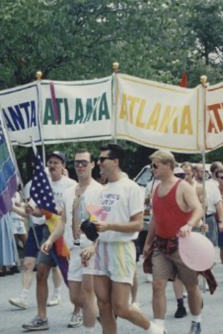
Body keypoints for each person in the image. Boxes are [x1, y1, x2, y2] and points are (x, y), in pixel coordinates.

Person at [82, 143, 166, 334]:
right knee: (103, 306)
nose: (99, 163)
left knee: (121, 306)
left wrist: (109, 226)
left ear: (115, 161)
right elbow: (98, 223)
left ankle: (155, 330)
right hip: (102, 249)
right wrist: (90, 239)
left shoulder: (132, 188)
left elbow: (137, 224)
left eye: (103, 159)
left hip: (122, 248)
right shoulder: (102, 191)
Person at [42, 148, 103, 333]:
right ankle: (103, 310)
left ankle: (89, 329)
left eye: (84, 162)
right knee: (75, 298)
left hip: (91, 250)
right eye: (77, 163)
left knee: (87, 294)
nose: (80, 166)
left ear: (92, 164)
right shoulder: (69, 192)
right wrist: (51, 240)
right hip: (74, 250)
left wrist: (94, 245)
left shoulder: (97, 191)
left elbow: (102, 225)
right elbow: (64, 222)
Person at [144, 150, 204, 334]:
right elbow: (155, 219)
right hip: (161, 245)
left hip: (183, 245)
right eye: (152, 165)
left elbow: (198, 209)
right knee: (157, 285)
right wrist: (147, 243)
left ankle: (196, 322)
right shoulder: (155, 189)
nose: (153, 169)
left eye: (156, 165)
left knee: (191, 287)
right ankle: (159, 327)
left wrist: (189, 225)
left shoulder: (183, 186)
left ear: (168, 165)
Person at [21, 151, 77, 331]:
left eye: (56, 162)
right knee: (41, 273)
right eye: (50, 162)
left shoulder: (71, 185)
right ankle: (41, 317)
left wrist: (66, 214)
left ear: (63, 166)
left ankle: (78, 311)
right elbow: (40, 211)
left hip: (66, 235)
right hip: (48, 234)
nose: (52, 165)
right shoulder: (42, 185)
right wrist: (31, 210)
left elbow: (78, 211)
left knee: (72, 277)